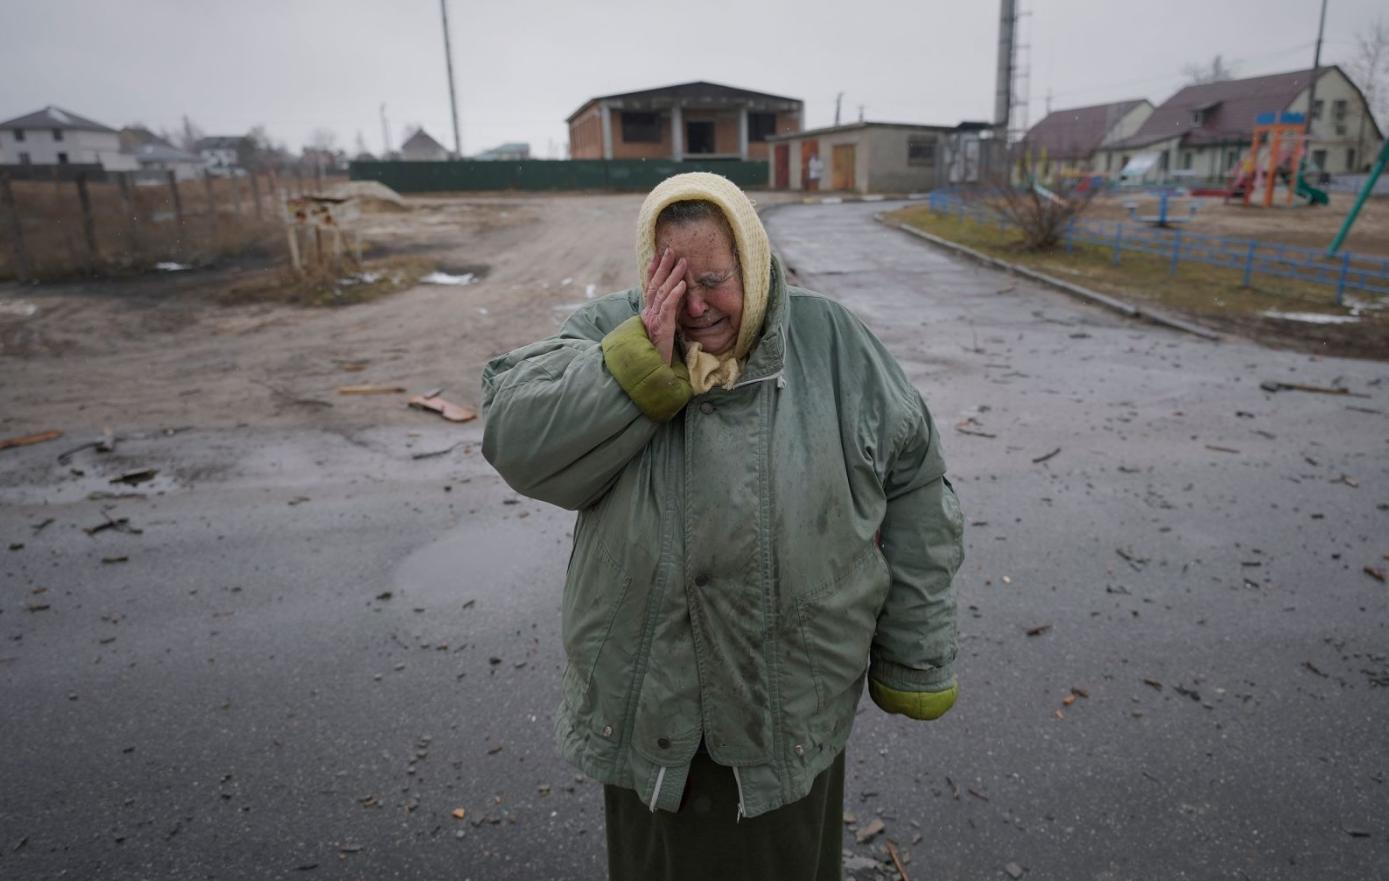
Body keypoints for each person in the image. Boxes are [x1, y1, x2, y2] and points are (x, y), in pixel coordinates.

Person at [481, 172, 963, 881]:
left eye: (714, 278)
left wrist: (915, 652)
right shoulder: (605, 334)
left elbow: (916, 485)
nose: (697, 304)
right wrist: (639, 363)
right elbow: (517, 438)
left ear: (757, 267)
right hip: (646, 698)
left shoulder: (832, 343)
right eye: (673, 278)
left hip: (789, 698)